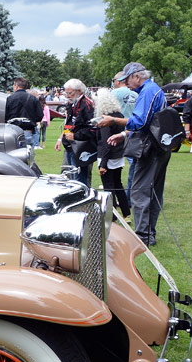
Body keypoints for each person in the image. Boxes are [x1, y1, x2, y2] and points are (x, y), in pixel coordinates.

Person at [96, 62, 168, 246]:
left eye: (127, 79)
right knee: (153, 191)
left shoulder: (148, 91)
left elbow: (140, 122)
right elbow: (150, 122)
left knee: (139, 191)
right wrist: (123, 134)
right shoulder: (152, 89)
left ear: (137, 76)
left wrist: (113, 120)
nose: (126, 83)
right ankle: (148, 234)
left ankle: (143, 235)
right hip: (158, 145)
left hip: (150, 147)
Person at [95, 89, 130, 219]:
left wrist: (103, 164)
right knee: (118, 185)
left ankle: (112, 216)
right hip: (118, 155)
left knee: (108, 187)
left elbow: (106, 142)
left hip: (107, 156)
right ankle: (126, 213)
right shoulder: (119, 115)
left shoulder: (105, 119)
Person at [61, 78, 96, 186]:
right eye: (66, 93)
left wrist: (75, 135)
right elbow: (69, 123)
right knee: (71, 177)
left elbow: (93, 129)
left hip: (82, 147)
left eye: (70, 93)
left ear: (79, 91)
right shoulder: (71, 104)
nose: (67, 96)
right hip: (70, 145)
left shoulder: (87, 105)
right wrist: (61, 138)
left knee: (80, 179)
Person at [4, 77, 43, 146]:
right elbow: (40, 115)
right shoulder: (33, 99)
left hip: (12, 130)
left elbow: (5, 115)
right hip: (28, 129)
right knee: (27, 154)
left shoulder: (9, 99)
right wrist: (32, 120)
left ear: (16, 86)